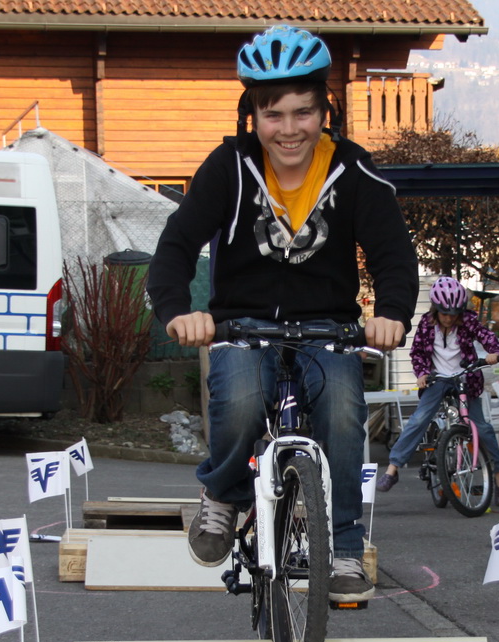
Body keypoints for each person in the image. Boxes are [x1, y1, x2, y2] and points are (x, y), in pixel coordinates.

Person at [146, 24, 418, 602]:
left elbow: (394, 254)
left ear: (325, 111)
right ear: (252, 115)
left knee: (342, 414)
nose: (289, 129)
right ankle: (223, 496)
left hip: (328, 329)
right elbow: (176, 246)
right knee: (242, 400)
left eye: (303, 112)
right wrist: (177, 310)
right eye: (273, 115)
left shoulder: (355, 171)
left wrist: (392, 312)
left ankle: (344, 548)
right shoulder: (227, 167)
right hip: (243, 327)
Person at [376, 276, 499, 506]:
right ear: (435, 309)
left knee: (482, 428)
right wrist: (421, 373)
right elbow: (417, 352)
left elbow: (486, 336)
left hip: (465, 377)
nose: (449, 318)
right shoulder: (426, 324)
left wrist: (494, 352)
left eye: (454, 314)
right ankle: (392, 469)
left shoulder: (468, 321)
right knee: (418, 419)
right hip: (437, 379)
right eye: (444, 313)